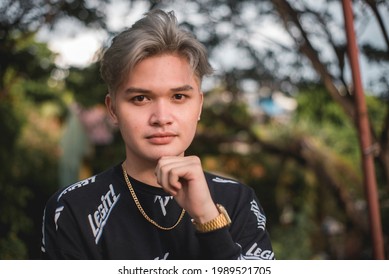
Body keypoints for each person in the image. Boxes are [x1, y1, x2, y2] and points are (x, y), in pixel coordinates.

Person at [41, 9, 275, 260]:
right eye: (140, 98)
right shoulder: (73, 207)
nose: (161, 117)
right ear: (113, 109)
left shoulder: (238, 200)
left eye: (178, 97)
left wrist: (209, 218)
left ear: (199, 106)